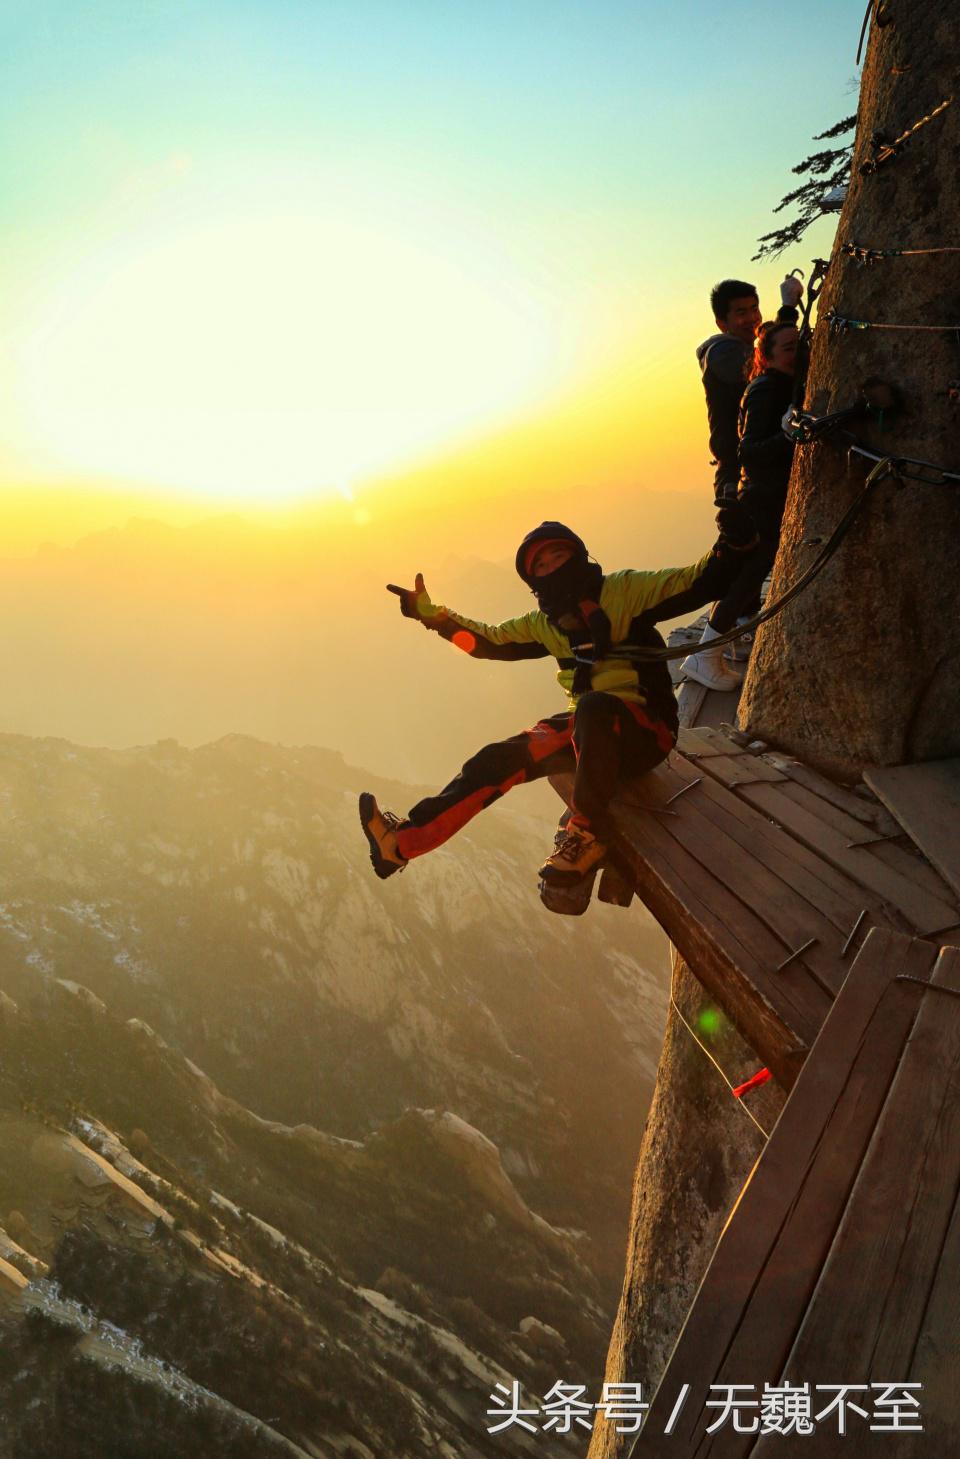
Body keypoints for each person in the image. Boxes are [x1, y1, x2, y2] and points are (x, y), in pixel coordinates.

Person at [359, 515, 756, 887]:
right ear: (534, 581)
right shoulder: (545, 624)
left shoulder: (623, 592)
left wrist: (729, 547)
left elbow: (694, 582)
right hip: (588, 734)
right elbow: (486, 641)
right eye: (541, 567)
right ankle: (402, 845)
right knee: (499, 757)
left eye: (558, 556)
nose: (551, 568)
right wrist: (431, 614)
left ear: (580, 557)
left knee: (593, 707)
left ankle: (587, 834)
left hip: (646, 734)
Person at [681, 318, 799, 690]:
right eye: (789, 348)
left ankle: (712, 650)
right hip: (760, 497)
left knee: (751, 573)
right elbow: (748, 449)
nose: (797, 353)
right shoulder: (765, 389)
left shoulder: (778, 384)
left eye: (800, 345)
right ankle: (704, 654)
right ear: (766, 356)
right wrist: (787, 435)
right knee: (749, 575)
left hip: (767, 494)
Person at [698, 276, 802, 504]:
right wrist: (786, 311)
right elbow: (761, 368)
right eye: (741, 313)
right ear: (722, 323)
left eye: (754, 308)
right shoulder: (720, 353)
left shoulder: (738, 349)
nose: (752, 318)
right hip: (736, 473)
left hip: (759, 463)